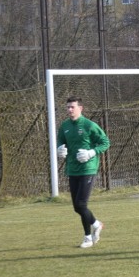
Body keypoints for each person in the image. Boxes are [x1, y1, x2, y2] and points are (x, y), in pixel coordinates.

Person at [56, 96, 110, 248]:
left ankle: (88, 237)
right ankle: (95, 225)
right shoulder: (65, 126)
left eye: (72, 107)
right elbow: (60, 140)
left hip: (88, 168)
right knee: (77, 207)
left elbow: (105, 142)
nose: (69, 110)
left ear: (81, 108)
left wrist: (92, 153)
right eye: (67, 107)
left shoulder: (89, 125)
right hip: (72, 169)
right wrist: (60, 149)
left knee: (81, 204)